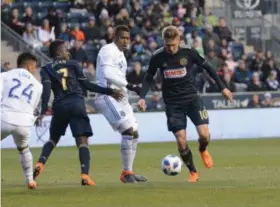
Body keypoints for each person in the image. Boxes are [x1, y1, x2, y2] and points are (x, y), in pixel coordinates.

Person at [137, 26, 233, 182]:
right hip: (172, 103)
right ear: (164, 42)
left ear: (179, 41)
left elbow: (208, 68)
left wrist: (223, 88)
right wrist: (142, 97)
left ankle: (202, 149)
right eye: (167, 45)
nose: (171, 48)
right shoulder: (158, 57)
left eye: (174, 45)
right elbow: (148, 77)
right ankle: (193, 172)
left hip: (192, 99)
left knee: (204, 135)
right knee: (181, 140)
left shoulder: (189, 52)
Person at [33, 40, 123, 186]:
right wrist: (110, 91)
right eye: (65, 49)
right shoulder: (73, 64)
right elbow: (87, 85)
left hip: (60, 106)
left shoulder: (46, 69)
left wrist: (43, 111)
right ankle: (85, 175)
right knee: (82, 141)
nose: (68, 51)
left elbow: (47, 91)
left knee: (52, 139)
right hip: (76, 104)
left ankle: (40, 164)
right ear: (58, 52)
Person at [94, 25, 147, 183]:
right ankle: (126, 174)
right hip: (107, 95)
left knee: (135, 133)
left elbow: (120, 80)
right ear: (115, 38)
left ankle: (127, 171)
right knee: (128, 130)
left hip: (119, 96)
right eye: (123, 37)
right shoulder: (107, 50)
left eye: (128, 38)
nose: (126, 41)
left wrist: (130, 93)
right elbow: (108, 74)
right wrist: (132, 87)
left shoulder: (121, 56)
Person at [1, 52, 43, 189]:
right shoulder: (38, 85)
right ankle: (30, 180)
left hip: (5, 117)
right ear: (29, 66)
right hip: (24, 122)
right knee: (24, 149)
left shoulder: (5, 75)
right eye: (35, 67)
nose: (35, 70)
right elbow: (35, 107)